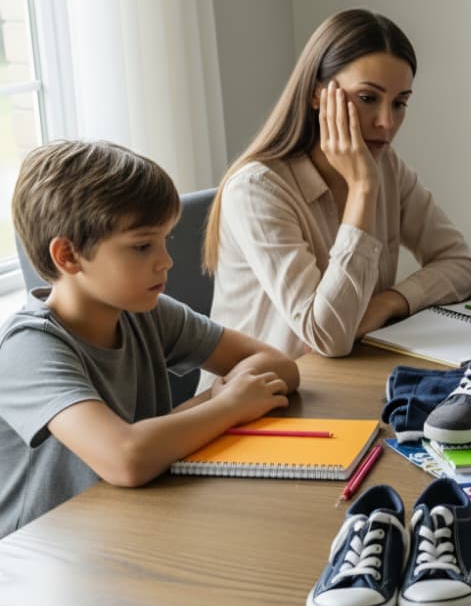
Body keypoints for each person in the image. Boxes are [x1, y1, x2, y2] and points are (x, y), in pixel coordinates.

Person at [0, 140, 300, 537]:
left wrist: (208, 406)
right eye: (142, 246)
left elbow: (279, 365)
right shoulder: (29, 348)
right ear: (68, 256)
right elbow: (126, 459)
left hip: (125, 526)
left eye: (165, 240)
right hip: (40, 562)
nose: (166, 261)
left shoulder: (145, 313)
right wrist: (227, 406)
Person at [204, 9, 471, 360]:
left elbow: (460, 263)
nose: (386, 122)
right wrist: (363, 188)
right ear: (318, 94)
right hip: (261, 399)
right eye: (368, 98)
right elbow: (329, 336)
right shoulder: (257, 191)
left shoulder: (388, 166)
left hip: (342, 378)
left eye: (399, 103)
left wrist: (388, 303)